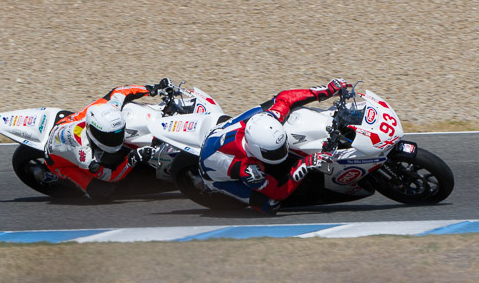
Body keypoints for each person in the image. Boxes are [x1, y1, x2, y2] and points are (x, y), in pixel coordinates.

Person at [198, 79, 349, 213]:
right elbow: (278, 192)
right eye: (274, 153)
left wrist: (325, 91)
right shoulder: (248, 170)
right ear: (256, 150)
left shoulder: (267, 119)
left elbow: (286, 98)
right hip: (213, 172)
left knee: (273, 104)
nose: (281, 153)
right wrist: (304, 164)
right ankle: (212, 186)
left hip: (222, 133)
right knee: (270, 205)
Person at [44, 82, 167, 200]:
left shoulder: (103, 110)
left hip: (67, 123)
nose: (116, 139)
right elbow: (111, 176)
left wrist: (152, 89)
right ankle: (55, 178)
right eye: (109, 137)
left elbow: (120, 91)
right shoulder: (86, 158)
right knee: (102, 191)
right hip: (57, 161)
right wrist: (132, 159)